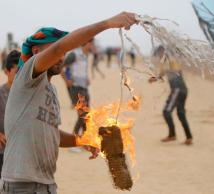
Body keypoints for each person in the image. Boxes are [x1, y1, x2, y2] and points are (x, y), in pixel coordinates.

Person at [1, 12, 137, 194]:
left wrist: (83, 140)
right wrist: (107, 23)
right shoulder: (25, 75)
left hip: (47, 184)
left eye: (65, 53)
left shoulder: (51, 91)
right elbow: (58, 49)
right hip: (20, 185)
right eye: (58, 50)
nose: (62, 56)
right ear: (36, 52)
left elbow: (52, 134)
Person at [149, 46, 193, 145]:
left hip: (177, 89)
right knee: (181, 114)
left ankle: (172, 135)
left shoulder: (171, 61)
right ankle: (189, 137)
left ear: (163, 52)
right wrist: (154, 79)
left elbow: (175, 70)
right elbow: (161, 75)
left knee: (166, 111)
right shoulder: (166, 63)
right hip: (183, 90)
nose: (158, 57)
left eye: (159, 54)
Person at [62, 42, 91, 136]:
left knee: (86, 114)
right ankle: (74, 138)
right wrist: (66, 80)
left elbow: (80, 70)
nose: (92, 46)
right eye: (91, 44)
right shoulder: (73, 55)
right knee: (82, 115)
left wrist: (86, 78)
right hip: (75, 88)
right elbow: (61, 66)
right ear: (86, 43)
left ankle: (85, 138)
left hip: (84, 88)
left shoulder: (85, 56)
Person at [0, 50, 20, 177]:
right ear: (6, 72)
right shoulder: (1, 93)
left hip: (22, 152)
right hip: (3, 151)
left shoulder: (28, 94)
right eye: (17, 71)